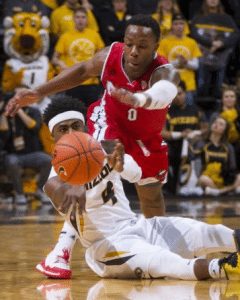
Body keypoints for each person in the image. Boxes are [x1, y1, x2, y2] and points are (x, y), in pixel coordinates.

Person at [37, 95, 240, 281]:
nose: (72, 133)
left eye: (76, 126)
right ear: (53, 136)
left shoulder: (104, 149)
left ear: (85, 127)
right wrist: (76, 185)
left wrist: (121, 162)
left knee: (205, 231)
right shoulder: (53, 182)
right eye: (63, 129)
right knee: (166, 262)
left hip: (138, 226)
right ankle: (222, 267)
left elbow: (137, 175)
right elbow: (60, 193)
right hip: (106, 248)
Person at [5, 15, 181, 218]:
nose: (133, 52)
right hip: (109, 122)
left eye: (142, 46)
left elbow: (165, 91)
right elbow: (81, 71)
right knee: (90, 162)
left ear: (155, 46)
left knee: (152, 196)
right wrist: (39, 92)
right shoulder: (110, 56)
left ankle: (155, 245)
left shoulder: (163, 70)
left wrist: (139, 100)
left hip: (146, 137)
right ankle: (72, 209)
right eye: (129, 44)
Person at [52, 7, 105, 106]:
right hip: (72, 82)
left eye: (83, 17)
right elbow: (54, 58)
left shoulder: (95, 35)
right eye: (77, 17)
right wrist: (60, 63)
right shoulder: (65, 36)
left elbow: (102, 56)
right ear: (73, 19)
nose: (80, 20)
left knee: (91, 115)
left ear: (87, 20)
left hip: (91, 82)